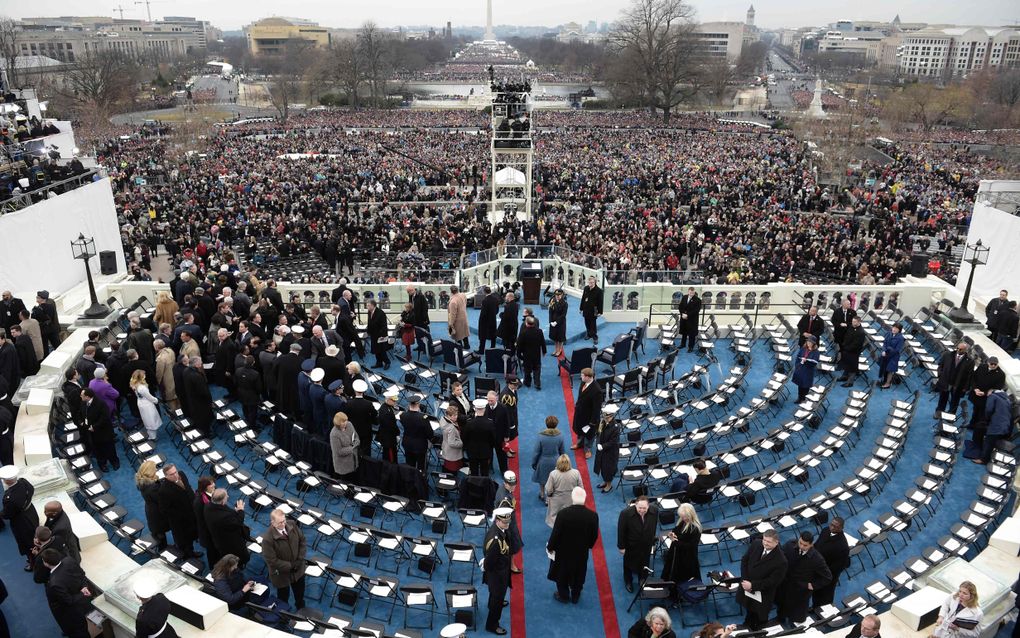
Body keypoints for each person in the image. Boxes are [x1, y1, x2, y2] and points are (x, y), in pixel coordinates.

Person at [546, 486, 599, 603]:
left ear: (572, 498)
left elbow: (556, 534)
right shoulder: (593, 516)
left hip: (563, 552)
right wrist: (587, 546)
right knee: (579, 574)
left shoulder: (563, 514)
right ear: (584, 498)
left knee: (562, 574)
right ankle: (576, 596)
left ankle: (563, 596)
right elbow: (594, 536)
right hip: (581, 552)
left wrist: (550, 547)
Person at [777, 531, 832, 624]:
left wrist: (813, 585)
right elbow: (780, 557)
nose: (801, 546)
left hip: (801, 590)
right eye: (800, 543)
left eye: (805, 545)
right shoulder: (790, 545)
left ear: (811, 545)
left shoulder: (817, 559)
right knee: (782, 605)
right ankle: (781, 618)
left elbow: (828, 577)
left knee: (796, 615)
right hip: (785, 584)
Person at [737, 529, 788, 630]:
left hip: (763, 593)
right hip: (746, 585)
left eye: (768, 541)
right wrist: (745, 580)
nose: (765, 543)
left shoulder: (781, 561)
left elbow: (773, 582)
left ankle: (757, 630)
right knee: (749, 609)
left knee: (759, 616)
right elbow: (745, 560)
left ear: (776, 542)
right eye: (764, 540)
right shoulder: (756, 543)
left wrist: (752, 586)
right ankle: (747, 624)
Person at [261, 508, 307, 611]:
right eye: (280, 522)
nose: (283, 524)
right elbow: (272, 561)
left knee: (300, 593)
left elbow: (302, 541)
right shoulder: (267, 539)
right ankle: (283, 615)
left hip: (298, 569)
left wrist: (299, 560)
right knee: (283, 597)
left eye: (284, 520)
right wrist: (291, 566)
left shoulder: (292, 525)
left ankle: (300, 607)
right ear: (272, 522)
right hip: (281, 574)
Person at [41, 548, 92, 638]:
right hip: (82, 605)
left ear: (46, 563)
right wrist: (84, 587)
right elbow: (82, 574)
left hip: (71, 614)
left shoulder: (54, 583)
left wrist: (82, 593)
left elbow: (69, 601)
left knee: (79, 633)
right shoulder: (69, 560)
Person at [1, 465, 40, 567]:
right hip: (30, 511)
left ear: (6, 481)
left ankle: (33, 563)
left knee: (27, 543)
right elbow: (31, 490)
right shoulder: (24, 482)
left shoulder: (9, 498)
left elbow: (7, 514)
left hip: (21, 521)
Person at [483, 508, 514, 635]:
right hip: (497, 576)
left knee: (495, 596)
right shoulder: (496, 540)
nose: (507, 524)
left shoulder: (498, 530)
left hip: (499, 573)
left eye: (508, 522)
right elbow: (489, 563)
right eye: (504, 522)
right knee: (497, 599)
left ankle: (492, 603)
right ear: (497, 520)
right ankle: (492, 625)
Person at [158, 464, 200, 558]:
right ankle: (187, 556)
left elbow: (188, 488)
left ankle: (191, 552)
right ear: (166, 476)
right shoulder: (163, 490)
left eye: (175, 472)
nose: (175, 475)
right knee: (185, 542)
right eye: (171, 474)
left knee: (192, 536)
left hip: (192, 514)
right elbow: (164, 510)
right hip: (180, 523)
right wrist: (181, 515)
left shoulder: (182, 474)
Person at [618, 496, 658, 593]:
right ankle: (628, 580)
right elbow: (621, 531)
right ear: (635, 505)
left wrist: (652, 541)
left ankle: (642, 578)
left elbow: (654, 526)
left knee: (645, 562)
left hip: (646, 544)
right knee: (628, 563)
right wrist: (621, 546)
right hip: (631, 544)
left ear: (648, 506)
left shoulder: (654, 511)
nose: (642, 510)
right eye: (639, 508)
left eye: (644, 508)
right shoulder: (625, 514)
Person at [661, 503, 702, 596]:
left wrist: (675, 542)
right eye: (682, 517)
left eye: (685, 517)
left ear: (691, 515)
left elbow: (690, 547)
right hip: (676, 552)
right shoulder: (683, 521)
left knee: (680, 576)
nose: (683, 519)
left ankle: (677, 594)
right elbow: (676, 529)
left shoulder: (695, 529)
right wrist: (672, 533)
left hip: (686, 557)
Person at [205, 489, 250, 569]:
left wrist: (235, 512)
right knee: (236, 559)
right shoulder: (224, 517)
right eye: (226, 497)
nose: (228, 497)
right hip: (230, 543)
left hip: (218, 538)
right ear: (222, 501)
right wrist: (240, 510)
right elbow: (238, 522)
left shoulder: (208, 507)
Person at [812, 516, 850, 608]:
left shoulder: (843, 546)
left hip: (828, 575)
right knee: (815, 592)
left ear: (841, 528)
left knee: (824, 596)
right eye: (831, 525)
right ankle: (814, 607)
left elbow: (838, 567)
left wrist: (822, 570)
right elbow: (817, 545)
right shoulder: (825, 530)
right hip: (816, 569)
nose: (832, 527)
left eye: (835, 526)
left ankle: (822, 615)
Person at [80, 388, 119, 471]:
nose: (80, 397)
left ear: (87, 397)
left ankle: (114, 462)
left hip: (104, 431)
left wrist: (94, 426)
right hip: (92, 433)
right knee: (98, 450)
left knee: (110, 448)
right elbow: (81, 414)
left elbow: (105, 418)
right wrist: (82, 422)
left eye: (82, 395)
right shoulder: (83, 403)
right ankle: (102, 464)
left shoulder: (101, 403)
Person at [968, 357, 1005, 438]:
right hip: (976, 394)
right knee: (975, 410)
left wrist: (984, 393)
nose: (993, 365)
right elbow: (974, 377)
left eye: (995, 364)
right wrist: (975, 388)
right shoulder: (982, 367)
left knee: (982, 415)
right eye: (991, 363)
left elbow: (998, 388)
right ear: (988, 362)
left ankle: (977, 431)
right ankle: (971, 424)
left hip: (986, 398)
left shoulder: (1001, 374)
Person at [135, 461, 169, 550]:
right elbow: (162, 500)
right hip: (157, 514)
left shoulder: (142, 482)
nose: (156, 470)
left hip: (151, 509)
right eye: (154, 469)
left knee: (157, 532)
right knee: (160, 535)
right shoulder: (153, 487)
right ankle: (163, 552)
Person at [495, 471, 523, 574]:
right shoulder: (505, 499)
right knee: (510, 546)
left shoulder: (503, 490)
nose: (513, 486)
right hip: (507, 525)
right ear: (505, 483)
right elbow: (504, 518)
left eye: (514, 483)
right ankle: (511, 566)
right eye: (510, 484)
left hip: (508, 521)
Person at [935, 342, 974, 417]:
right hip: (946, 381)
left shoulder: (970, 361)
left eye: (961, 349)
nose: (958, 350)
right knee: (942, 398)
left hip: (958, 385)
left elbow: (969, 375)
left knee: (955, 402)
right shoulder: (948, 355)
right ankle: (939, 412)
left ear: (965, 350)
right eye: (957, 348)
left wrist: (966, 388)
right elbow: (940, 365)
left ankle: (951, 416)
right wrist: (940, 375)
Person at [532, 416, 565, 502]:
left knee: (542, 478)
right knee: (553, 480)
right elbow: (562, 451)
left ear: (546, 424)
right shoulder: (560, 436)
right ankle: (549, 498)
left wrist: (534, 463)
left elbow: (536, 452)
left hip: (543, 460)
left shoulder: (541, 436)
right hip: (556, 461)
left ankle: (542, 493)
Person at [571, 368, 602, 459]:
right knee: (580, 430)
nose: (581, 377)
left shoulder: (597, 390)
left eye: (582, 375)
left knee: (589, 434)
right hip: (580, 414)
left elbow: (597, 408)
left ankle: (587, 449)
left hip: (589, 418)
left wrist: (592, 422)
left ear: (588, 377)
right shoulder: (583, 382)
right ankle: (579, 444)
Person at [976, 387, 1012, 465]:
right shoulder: (1006, 399)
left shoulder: (992, 396)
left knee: (989, 441)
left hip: (997, 424)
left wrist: (987, 419)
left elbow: (988, 409)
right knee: (992, 440)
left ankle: (983, 459)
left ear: (990, 392)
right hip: (1006, 425)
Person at [545, 453, 582, 527]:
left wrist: (549, 496)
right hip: (571, 500)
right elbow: (580, 488)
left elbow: (549, 490)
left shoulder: (553, 474)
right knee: (571, 519)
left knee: (556, 520)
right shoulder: (576, 472)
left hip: (556, 502)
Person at [463, 398, 498, 476]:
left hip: (472, 452)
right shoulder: (490, 423)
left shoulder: (469, 423)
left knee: (474, 472)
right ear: (484, 409)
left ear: (475, 409)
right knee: (485, 472)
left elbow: (464, 438)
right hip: (485, 452)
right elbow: (493, 439)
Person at [345, 379, 377, 457]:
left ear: (354, 390)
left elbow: (346, 416)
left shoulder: (348, 403)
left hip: (353, 429)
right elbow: (375, 414)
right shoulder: (368, 404)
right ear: (363, 391)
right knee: (366, 450)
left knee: (354, 447)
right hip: (366, 430)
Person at [594, 404, 622, 493]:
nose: (604, 417)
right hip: (601, 450)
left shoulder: (615, 427)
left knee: (608, 469)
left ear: (611, 416)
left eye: (606, 415)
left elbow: (613, 442)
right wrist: (598, 443)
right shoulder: (602, 422)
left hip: (610, 452)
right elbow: (599, 433)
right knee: (601, 466)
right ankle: (605, 481)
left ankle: (608, 485)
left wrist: (603, 446)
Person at [401, 394, 431, 472]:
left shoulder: (403, 415)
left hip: (407, 443)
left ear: (409, 404)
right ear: (418, 404)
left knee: (409, 465)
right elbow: (430, 434)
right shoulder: (423, 418)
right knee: (421, 467)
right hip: (420, 446)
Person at [517, 316, 547, 389]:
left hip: (527, 355)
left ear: (526, 323)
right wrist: (544, 351)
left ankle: (528, 382)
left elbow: (519, 345)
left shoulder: (523, 333)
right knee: (537, 369)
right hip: (536, 354)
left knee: (527, 370)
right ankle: (537, 383)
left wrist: (519, 354)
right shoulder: (539, 331)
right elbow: (543, 342)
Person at [131, 369, 162, 440]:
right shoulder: (142, 388)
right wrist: (156, 400)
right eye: (143, 375)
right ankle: (152, 437)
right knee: (150, 419)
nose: (145, 375)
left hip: (141, 402)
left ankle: (150, 434)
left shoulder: (135, 384)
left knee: (147, 419)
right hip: (146, 404)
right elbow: (149, 397)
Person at [194, 476, 217, 567]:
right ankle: (213, 568)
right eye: (211, 484)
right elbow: (201, 519)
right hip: (207, 532)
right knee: (212, 552)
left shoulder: (214, 492)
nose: (214, 485)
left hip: (214, 529)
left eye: (213, 482)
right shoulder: (199, 501)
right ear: (205, 486)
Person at [330, 411, 360, 481]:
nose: (345, 423)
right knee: (345, 483)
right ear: (337, 423)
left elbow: (356, 437)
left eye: (346, 420)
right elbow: (339, 451)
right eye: (343, 422)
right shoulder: (334, 434)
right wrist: (352, 448)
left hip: (353, 460)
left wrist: (356, 442)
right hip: (343, 464)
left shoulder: (349, 424)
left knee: (353, 480)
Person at [838, 316, 866, 387]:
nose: (853, 323)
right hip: (847, 349)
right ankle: (844, 376)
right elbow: (847, 336)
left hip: (854, 352)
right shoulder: (851, 327)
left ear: (859, 322)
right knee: (846, 364)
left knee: (852, 367)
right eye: (853, 321)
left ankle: (850, 382)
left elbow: (856, 344)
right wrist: (844, 345)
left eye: (855, 322)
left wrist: (847, 348)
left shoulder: (861, 332)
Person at [791, 337, 820, 403]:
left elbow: (814, 363)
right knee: (800, 384)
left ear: (814, 344)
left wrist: (806, 361)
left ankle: (804, 398)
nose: (808, 343)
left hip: (808, 370)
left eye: (810, 342)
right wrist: (797, 365)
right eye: (808, 342)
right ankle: (799, 397)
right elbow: (798, 357)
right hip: (801, 369)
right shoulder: (803, 348)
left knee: (806, 385)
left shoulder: (816, 352)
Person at [365, 299, 391, 369]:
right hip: (373, 334)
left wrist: (382, 336)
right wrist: (368, 332)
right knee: (376, 350)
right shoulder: (369, 312)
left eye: (368, 305)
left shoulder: (380, 313)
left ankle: (387, 362)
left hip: (380, 335)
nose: (367, 307)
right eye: (367, 305)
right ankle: (379, 362)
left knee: (382, 350)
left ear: (373, 305)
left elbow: (384, 325)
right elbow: (369, 322)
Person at [878, 323, 905, 389]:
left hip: (893, 356)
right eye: (893, 327)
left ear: (899, 330)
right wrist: (884, 351)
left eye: (896, 328)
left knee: (890, 370)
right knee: (884, 367)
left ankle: (888, 383)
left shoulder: (900, 338)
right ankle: (883, 380)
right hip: (886, 353)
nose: (894, 329)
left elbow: (897, 350)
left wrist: (887, 353)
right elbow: (885, 343)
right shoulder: (889, 333)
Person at [440, 404, 464, 472]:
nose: (456, 417)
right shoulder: (451, 428)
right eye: (454, 415)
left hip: (447, 450)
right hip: (453, 453)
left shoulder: (443, 420)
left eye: (456, 415)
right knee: (453, 472)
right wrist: (461, 443)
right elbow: (452, 443)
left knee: (448, 468)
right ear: (449, 416)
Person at [580, 276, 603, 343]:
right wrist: (581, 308)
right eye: (589, 282)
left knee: (593, 324)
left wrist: (600, 312)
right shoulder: (586, 288)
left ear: (595, 282)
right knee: (587, 323)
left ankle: (595, 337)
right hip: (586, 309)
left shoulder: (599, 291)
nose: (590, 283)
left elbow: (600, 302)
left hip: (594, 310)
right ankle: (589, 334)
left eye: (592, 282)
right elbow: (583, 299)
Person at [677, 287, 701, 352]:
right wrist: (682, 314)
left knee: (691, 334)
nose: (691, 294)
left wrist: (687, 315)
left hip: (692, 320)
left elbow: (696, 310)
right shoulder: (684, 297)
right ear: (688, 291)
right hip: (684, 319)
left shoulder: (698, 300)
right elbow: (680, 306)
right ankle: (683, 344)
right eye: (690, 292)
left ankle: (691, 347)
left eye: (693, 293)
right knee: (684, 332)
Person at [477, 286, 500, 354]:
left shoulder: (485, 301)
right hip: (493, 320)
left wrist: (481, 321)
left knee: (483, 336)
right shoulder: (495, 299)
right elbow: (497, 310)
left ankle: (481, 350)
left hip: (485, 321)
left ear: (484, 292)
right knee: (493, 334)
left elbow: (483, 313)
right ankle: (493, 348)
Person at [447, 285, 470, 350]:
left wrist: (451, 324)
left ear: (451, 291)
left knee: (457, 335)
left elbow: (453, 314)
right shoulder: (463, 295)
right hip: (464, 316)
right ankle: (467, 345)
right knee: (464, 333)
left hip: (457, 320)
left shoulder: (453, 301)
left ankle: (460, 348)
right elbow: (465, 303)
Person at [548, 289, 568, 357]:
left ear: (562, 295)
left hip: (560, 322)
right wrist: (550, 321)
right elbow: (550, 312)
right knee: (555, 336)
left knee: (560, 337)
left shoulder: (564, 303)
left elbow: (563, 315)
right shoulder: (552, 301)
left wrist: (556, 322)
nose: (557, 296)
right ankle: (556, 349)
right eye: (556, 295)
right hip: (553, 321)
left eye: (559, 295)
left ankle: (559, 350)